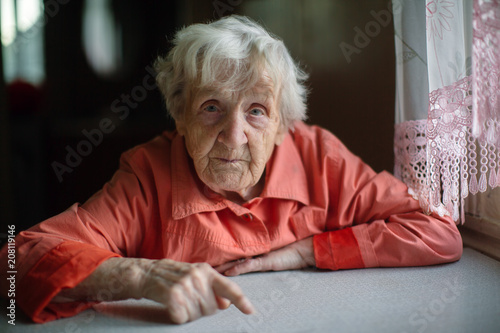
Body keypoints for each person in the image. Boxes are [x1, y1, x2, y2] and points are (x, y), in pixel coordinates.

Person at [0, 15, 462, 325]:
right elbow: (14, 264)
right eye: (212, 107)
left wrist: (307, 251)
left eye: (257, 111)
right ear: (180, 117)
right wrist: (138, 275)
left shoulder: (320, 157)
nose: (234, 134)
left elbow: (437, 233)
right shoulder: (149, 176)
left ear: (283, 125)